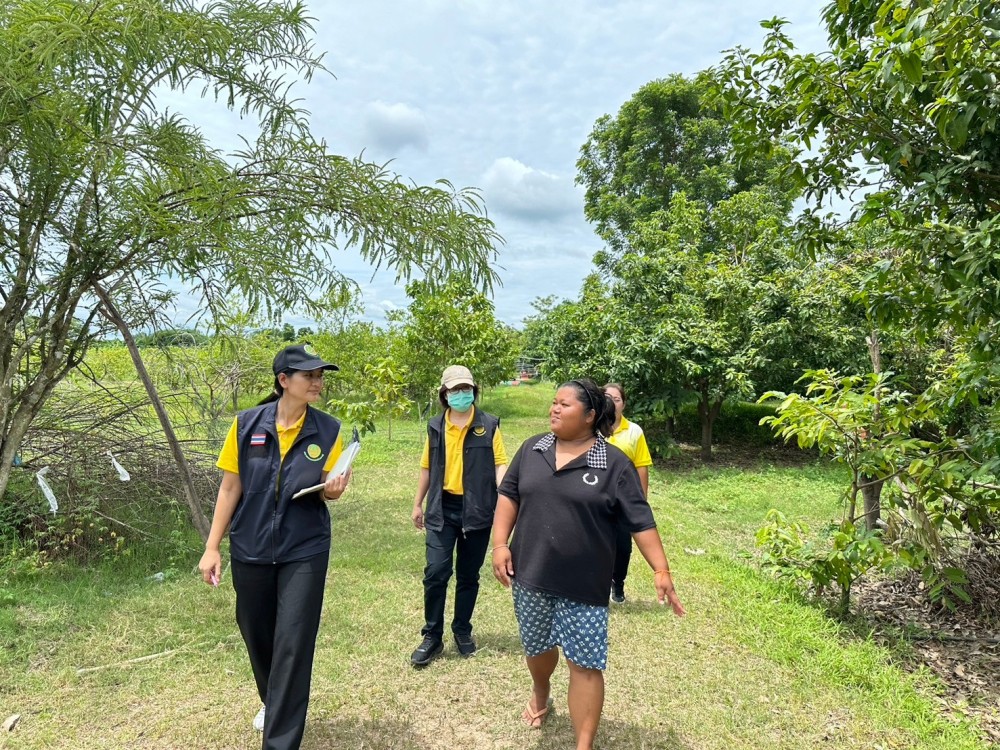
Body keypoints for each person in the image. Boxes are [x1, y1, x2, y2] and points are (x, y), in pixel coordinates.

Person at [491, 378, 684, 750]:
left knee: (585, 665)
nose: (555, 408)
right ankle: (541, 691)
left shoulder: (614, 464)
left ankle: (584, 744)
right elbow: (509, 495)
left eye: (565, 404)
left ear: (590, 415)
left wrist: (661, 569)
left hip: (585, 585)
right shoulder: (532, 448)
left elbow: (641, 521)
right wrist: (500, 543)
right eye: (554, 402)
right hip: (531, 574)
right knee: (538, 649)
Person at [198, 344, 350, 750]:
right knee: (256, 631)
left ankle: (280, 740)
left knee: (293, 640)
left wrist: (333, 490)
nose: (317, 382)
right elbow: (230, 487)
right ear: (284, 380)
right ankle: (274, 698)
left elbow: (328, 487)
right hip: (250, 545)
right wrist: (212, 547)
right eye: (309, 376)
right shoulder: (246, 425)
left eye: (320, 376)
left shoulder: (328, 430)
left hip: (305, 547)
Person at [410, 364, 508, 666]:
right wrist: (418, 503)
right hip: (442, 509)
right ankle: (432, 636)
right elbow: (427, 467)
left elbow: (500, 464)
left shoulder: (488, 425)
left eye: (466, 388)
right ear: (445, 393)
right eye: (455, 389)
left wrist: (507, 500)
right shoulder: (436, 426)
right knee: (436, 572)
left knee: (468, 575)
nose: (461, 394)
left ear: (473, 390)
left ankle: (462, 630)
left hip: (477, 510)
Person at [603, 383, 653, 603]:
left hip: (623, 500)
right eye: (607, 398)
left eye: (617, 399)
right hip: (597, 498)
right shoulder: (591, 429)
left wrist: (640, 502)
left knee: (623, 547)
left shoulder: (634, 431)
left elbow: (642, 467)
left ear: (623, 404)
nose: (612, 403)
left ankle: (618, 582)